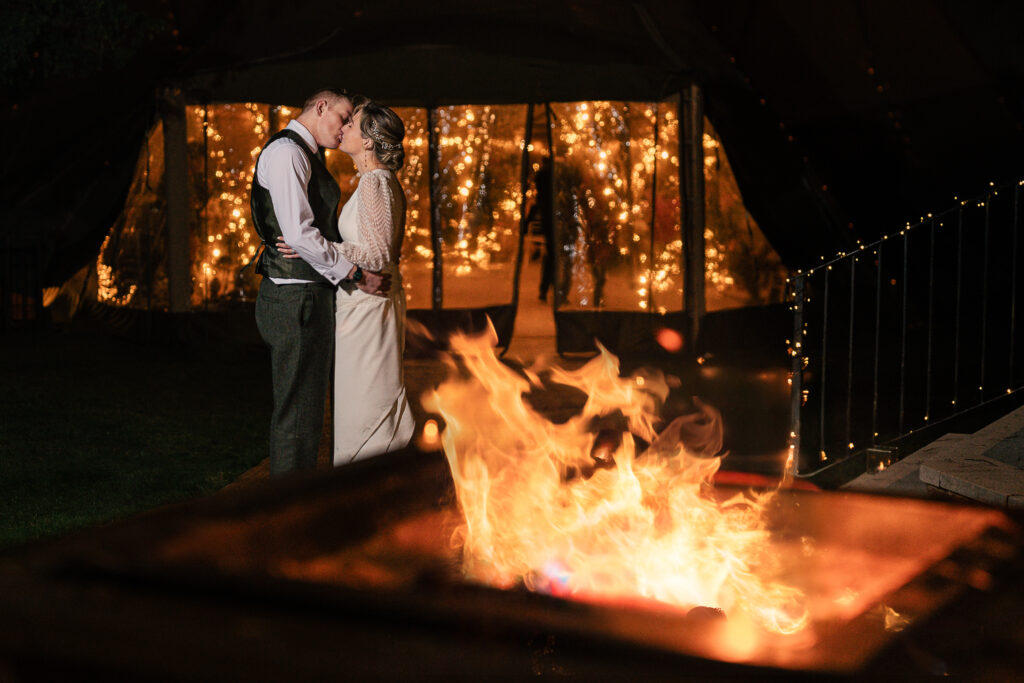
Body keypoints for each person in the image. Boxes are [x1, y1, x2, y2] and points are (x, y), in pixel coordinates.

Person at [250, 88, 388, 477]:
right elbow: (297, 233)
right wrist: (355, 273)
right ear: (321, 106)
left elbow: (298, 230)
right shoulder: (288, 153)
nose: (345, 127)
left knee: (306, 413)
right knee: (297, 416)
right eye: (343, 117)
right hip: (296, 299)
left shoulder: (304, 153)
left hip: (306, 294)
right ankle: (289, 516)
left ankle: (296, 508)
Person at [279, 102, 415, 465]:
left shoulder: (375, 183)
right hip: (367, 303)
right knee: (363, 397)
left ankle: (368, 478)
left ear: (369, 141)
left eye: (351, 123)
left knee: (365, 402)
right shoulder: (375, 182)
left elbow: (376, 254)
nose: (343, 128)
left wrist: (311, 247)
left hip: (367, 307)